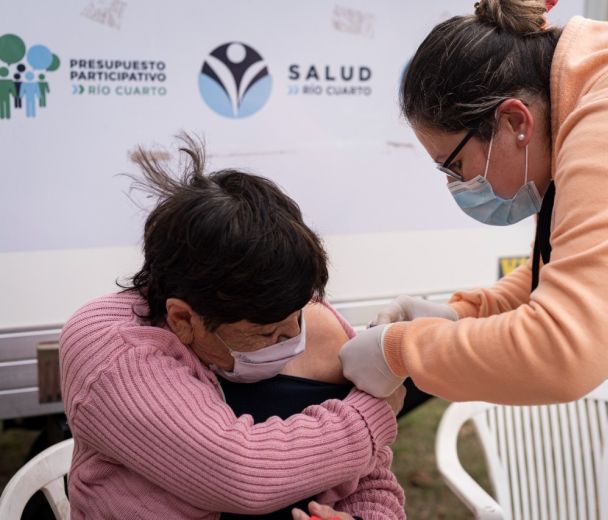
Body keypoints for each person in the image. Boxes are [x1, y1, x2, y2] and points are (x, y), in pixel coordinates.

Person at [338, 0, 608, 516]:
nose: (458, 186)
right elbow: (576, 268)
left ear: (513, 121)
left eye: (455, 166)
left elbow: (563, 352)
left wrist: (401, 352)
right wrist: (463, 314)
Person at [60, 135, 405, 519]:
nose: (291, 338)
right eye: (266, 334)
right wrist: (372, 414)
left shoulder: (308, 321)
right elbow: (241, 473)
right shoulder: (112, 350)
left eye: (299, 316)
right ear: (183, 319)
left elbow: (371, 475)